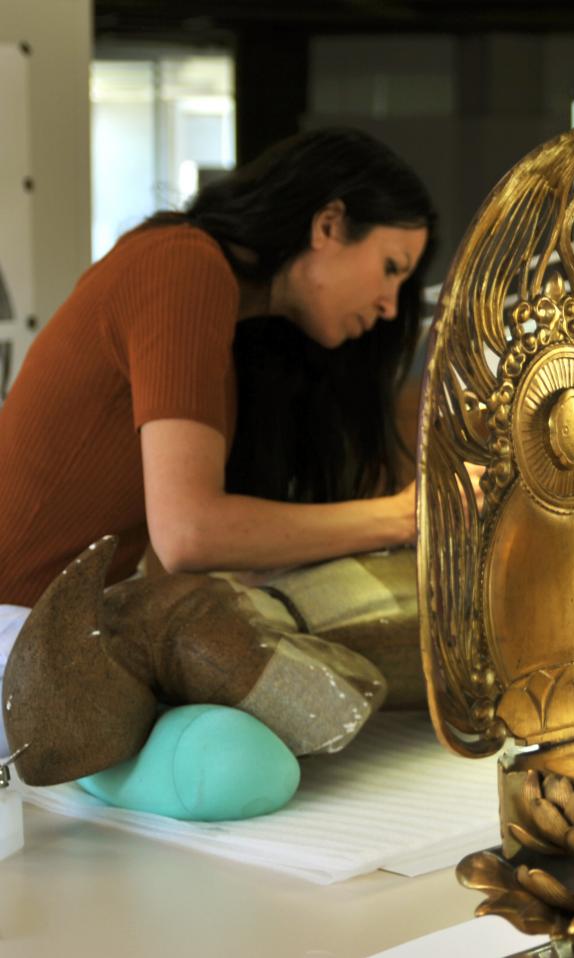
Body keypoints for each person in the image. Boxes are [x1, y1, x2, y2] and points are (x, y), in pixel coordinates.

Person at [0, 127, 438, 814]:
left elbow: (188, 560)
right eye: (390, 266)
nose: (390, 304)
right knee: (246, 761)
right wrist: (405, 516)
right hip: (22, 640)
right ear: (329, 224)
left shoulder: (238, 327)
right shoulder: (183, 264)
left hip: (68, 639)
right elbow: (189, 534)